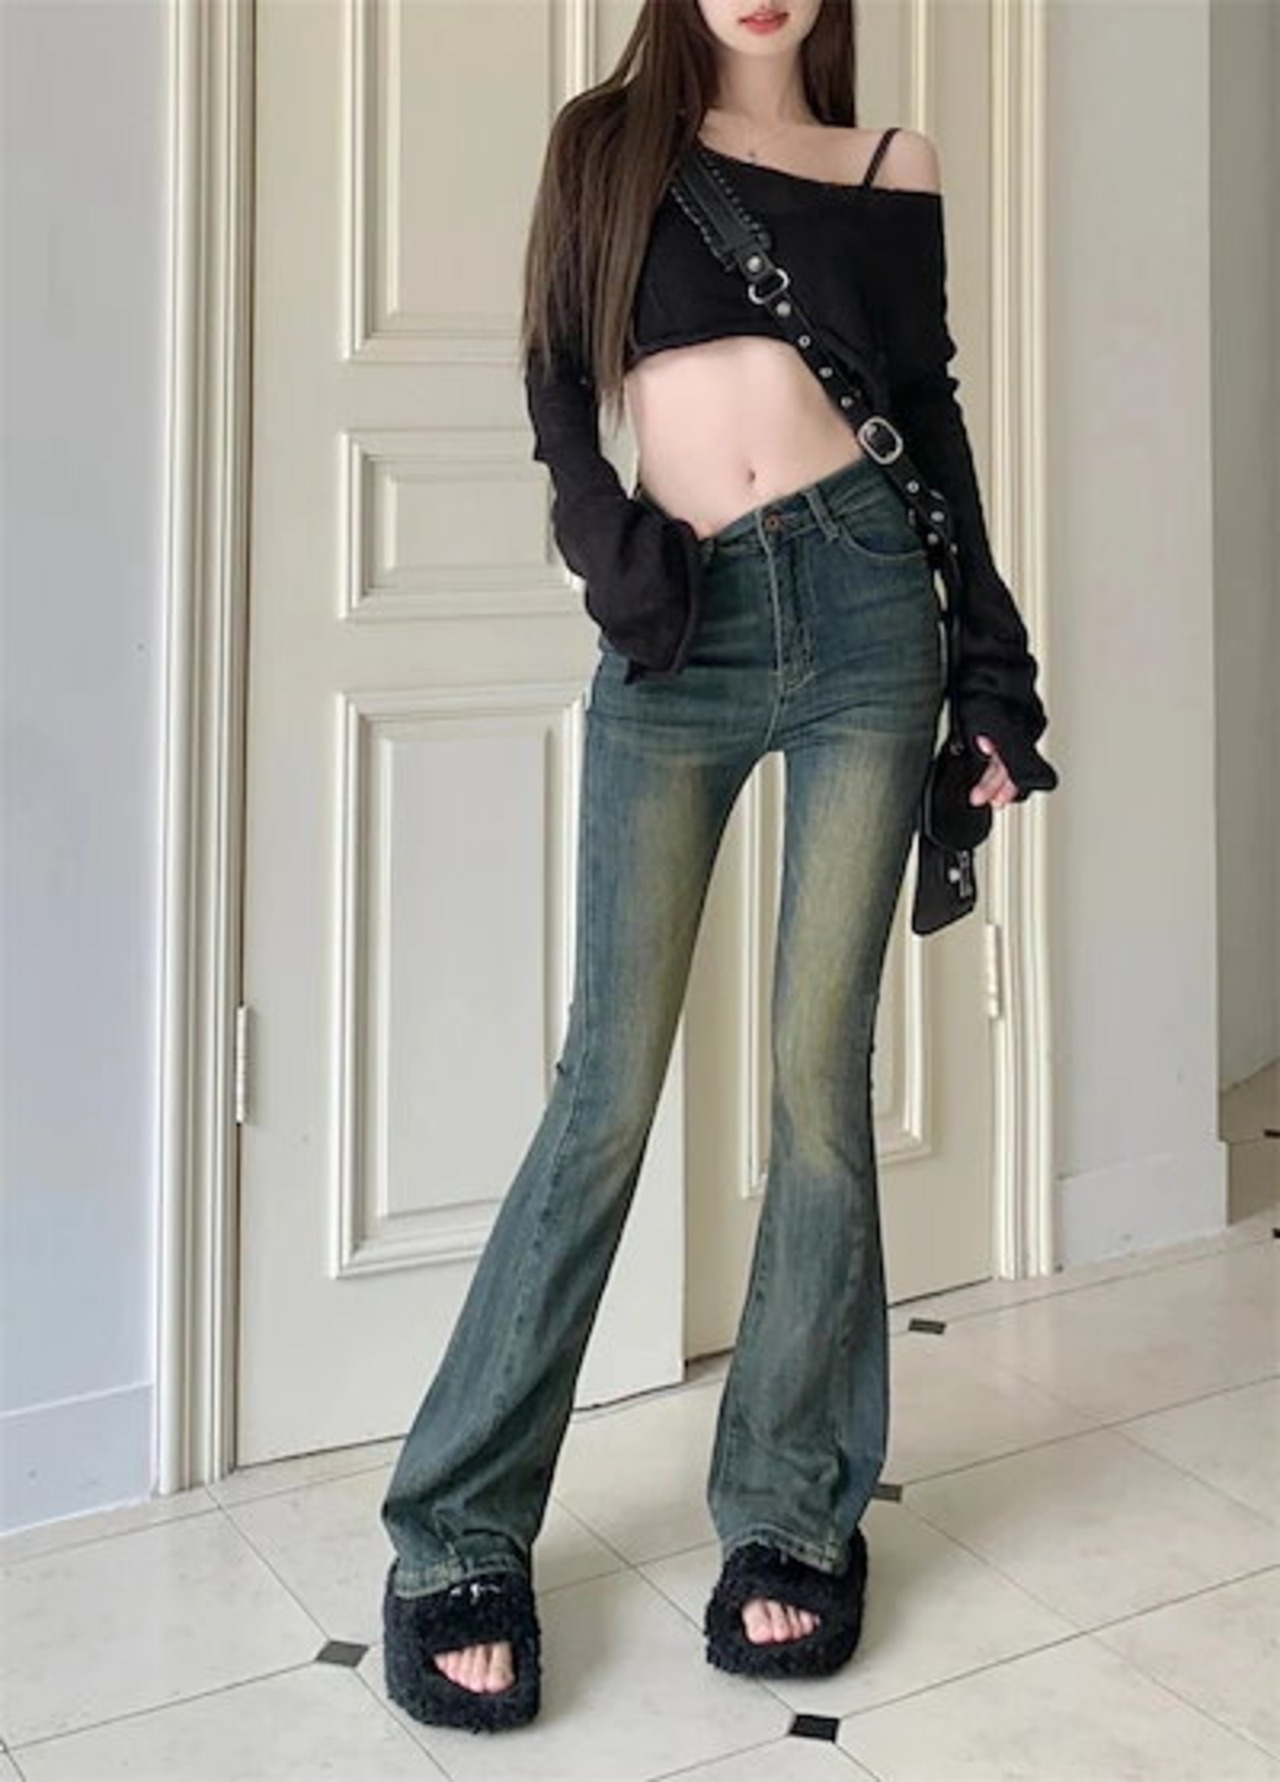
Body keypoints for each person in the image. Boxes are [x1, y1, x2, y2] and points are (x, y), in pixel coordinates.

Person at [380, 0, 1059, 1735]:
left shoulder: (891, 164)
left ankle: (791, 1509)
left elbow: (928, 417)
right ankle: (458, 1523)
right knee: (606, 1088)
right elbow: (555, 372)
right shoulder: (608, 147)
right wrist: (606, 542)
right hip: (683, 619)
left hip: (867, 614)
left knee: (820, 1084)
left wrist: (992, 667)